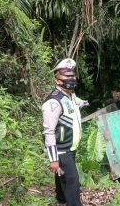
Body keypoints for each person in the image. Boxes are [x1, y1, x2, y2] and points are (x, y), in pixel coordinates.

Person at [42, 58, 88, 206]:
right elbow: (48, 132)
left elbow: (74, 102)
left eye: (72, 75)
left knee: (63, 179)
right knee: (73, 183)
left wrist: (82, 102)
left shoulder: (69, 94)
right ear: (57, 80)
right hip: (62, 152)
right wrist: (53, 159)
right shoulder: (53, 102)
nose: (71, 78)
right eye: (67, 76)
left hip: (70, 149)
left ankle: (61, 200)